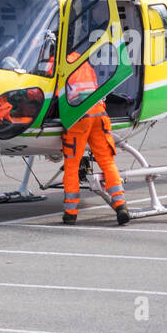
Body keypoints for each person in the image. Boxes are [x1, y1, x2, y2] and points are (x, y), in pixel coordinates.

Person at [61, 49, 130, 226]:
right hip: (99, 113)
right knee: (107, 162)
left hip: (78, 115)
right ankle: (121, 204)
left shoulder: (57, 63)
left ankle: (71, 212)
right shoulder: (84, 63)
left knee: (72, 164)